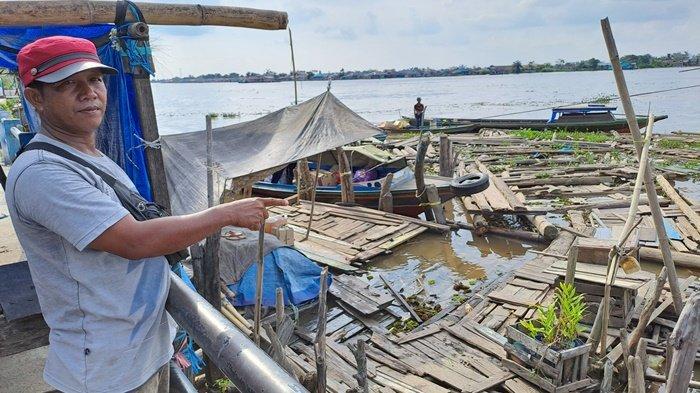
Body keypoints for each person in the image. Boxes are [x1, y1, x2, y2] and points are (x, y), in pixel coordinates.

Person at [5, 36, 287, 393]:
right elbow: (134, 241)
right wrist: (225, 213)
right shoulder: (43, 172)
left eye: (94, 80)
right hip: (107, 368)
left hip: (141, 348)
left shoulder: (85, 156)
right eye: (67, 84)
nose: (89, 92)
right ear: (35, 97)